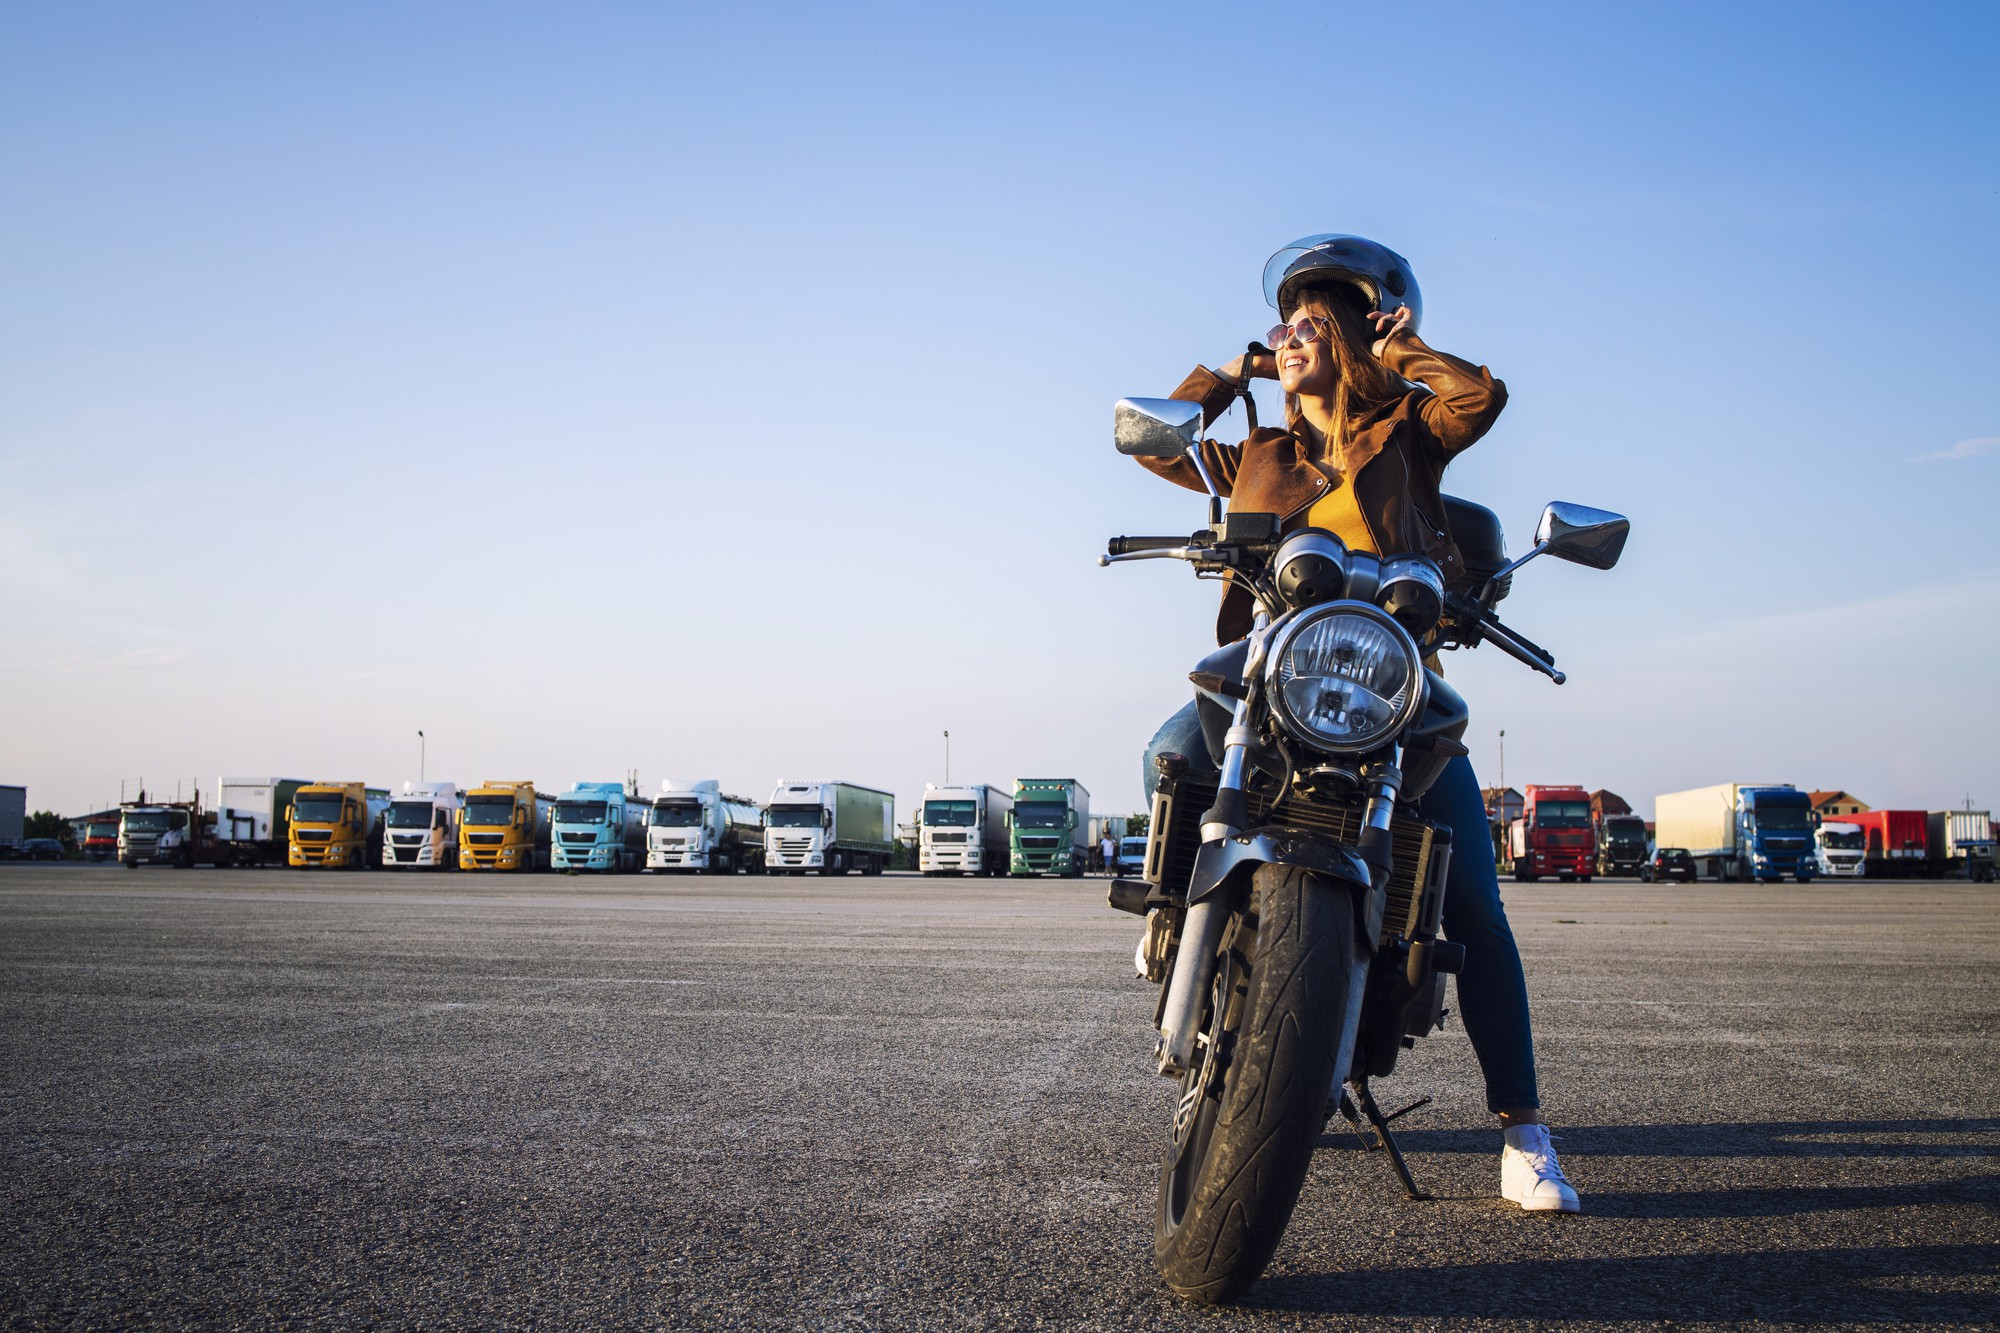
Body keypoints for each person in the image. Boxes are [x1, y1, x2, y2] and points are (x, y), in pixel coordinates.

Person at [1133, 234, 1579, 1214]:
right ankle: (1180, 921)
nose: (1284, 336)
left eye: (1305, 323)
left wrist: (1401, 353)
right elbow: (1145, 439)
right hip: (1268, 675)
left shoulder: (1410, 434)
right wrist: (1230, 371)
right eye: (1277, 325)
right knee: (1167, 752)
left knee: (1473, 899)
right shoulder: (1255, 451)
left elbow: (1478, 401)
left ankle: (1525, 1133)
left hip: (1388, 684)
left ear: (1349, 335)